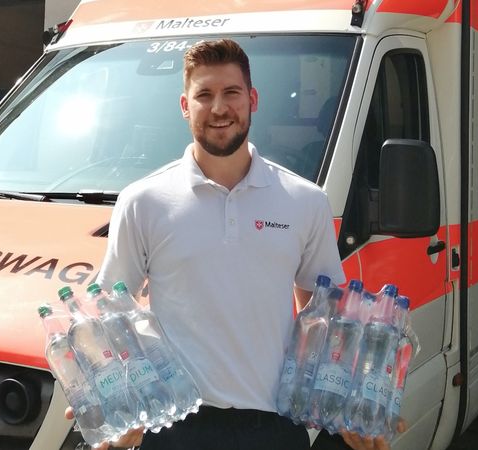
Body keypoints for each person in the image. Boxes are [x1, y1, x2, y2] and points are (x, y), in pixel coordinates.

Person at [67, 38, 405, 450]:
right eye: (204, 95)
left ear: (253, 99)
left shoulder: (304, 200)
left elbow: (326, 318)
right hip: (177, 429)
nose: (219, 108)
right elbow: (108, 315)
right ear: (184, 106)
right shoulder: (143, 201)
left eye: (231, 92)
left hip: (274, 426)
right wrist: (99, 392)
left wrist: (355, 403)